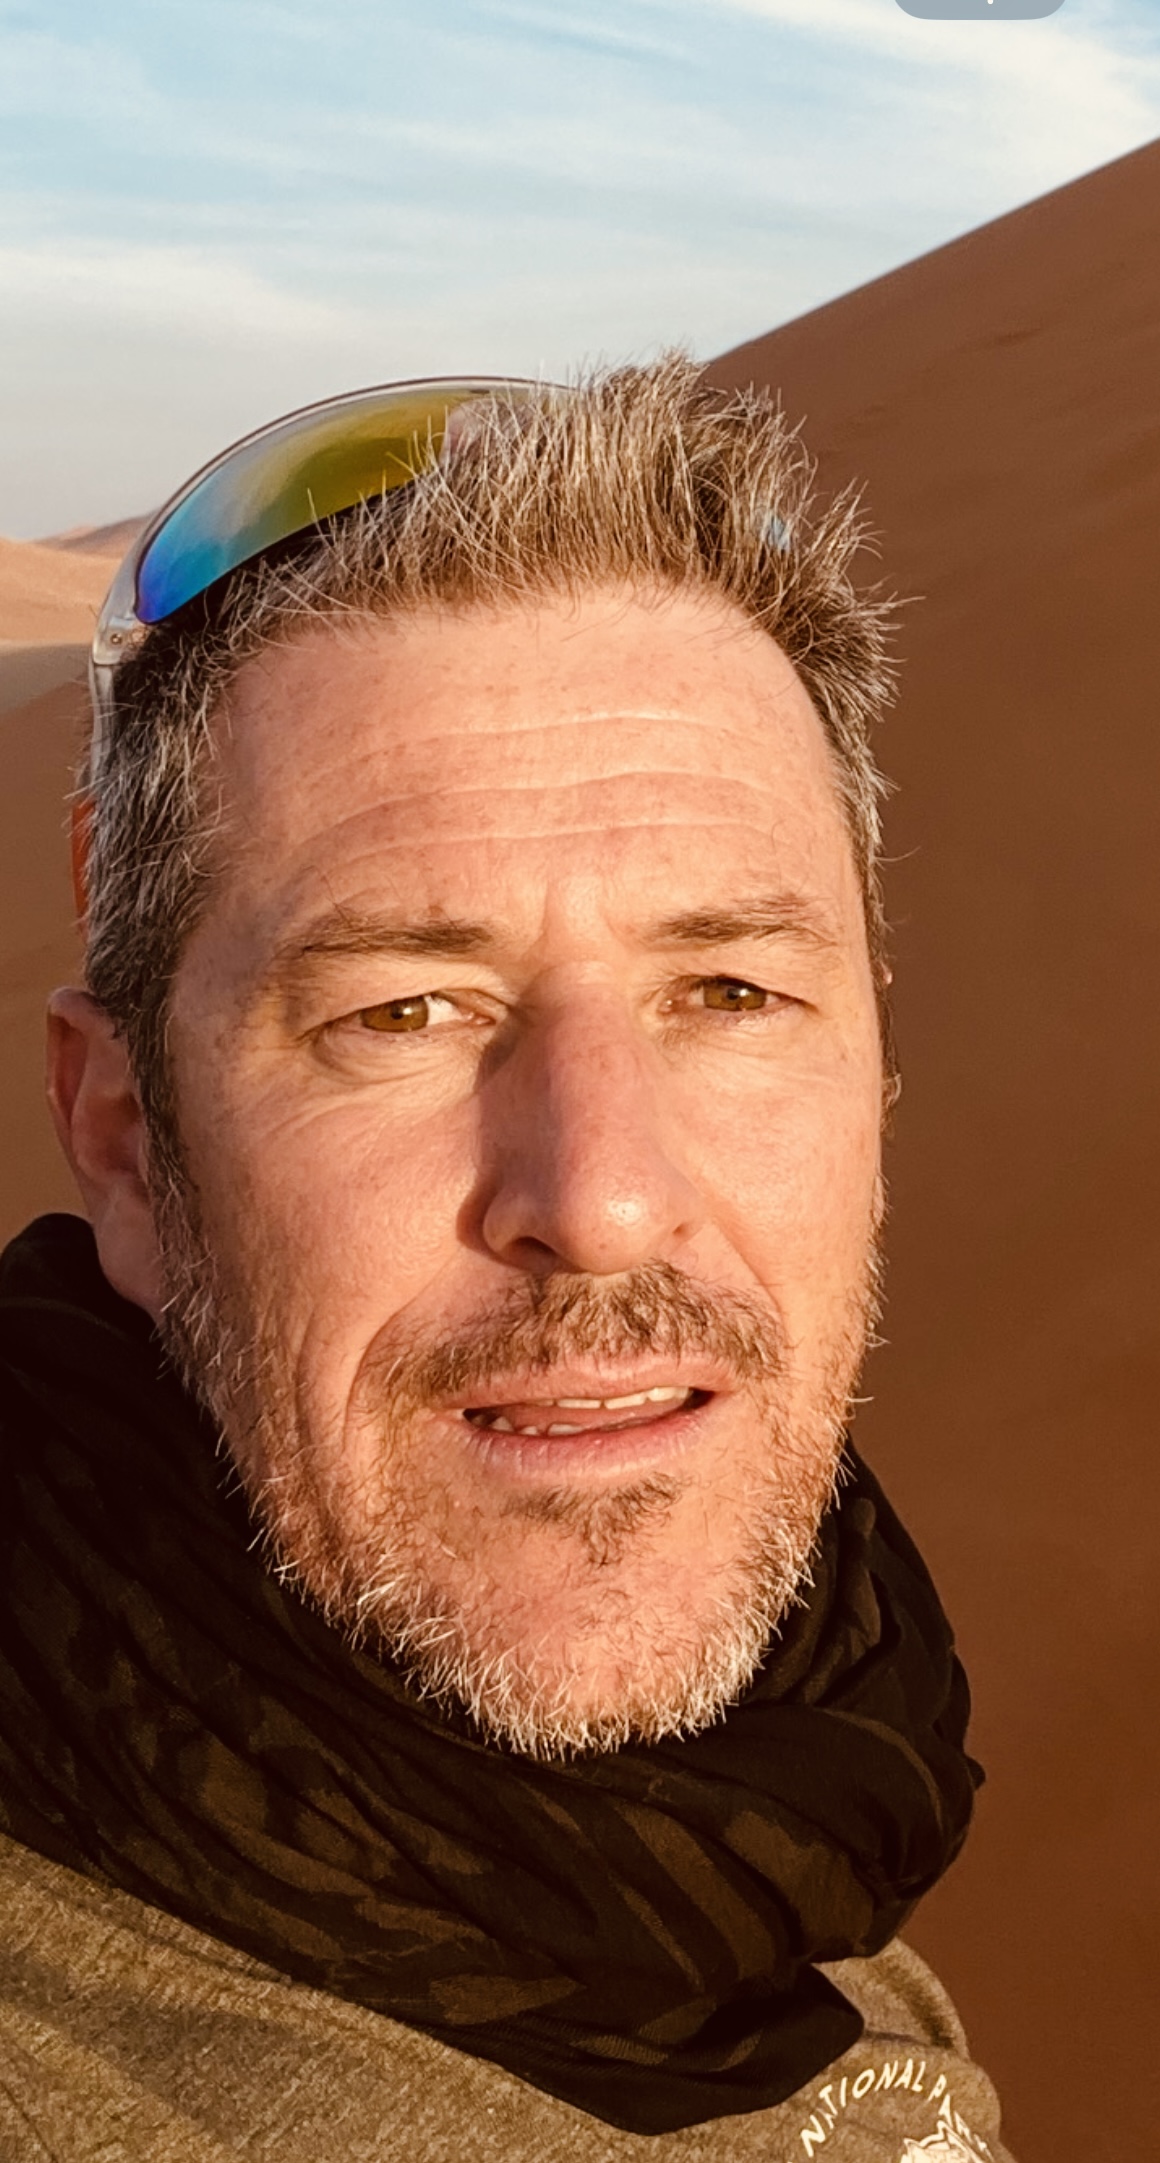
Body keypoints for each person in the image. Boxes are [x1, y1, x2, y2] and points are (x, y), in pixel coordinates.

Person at [0, 358, 1014, 2161]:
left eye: (727, 991)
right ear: (128, 1136)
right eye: (403, 1010)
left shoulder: (797, 1805)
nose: (602, 1200)